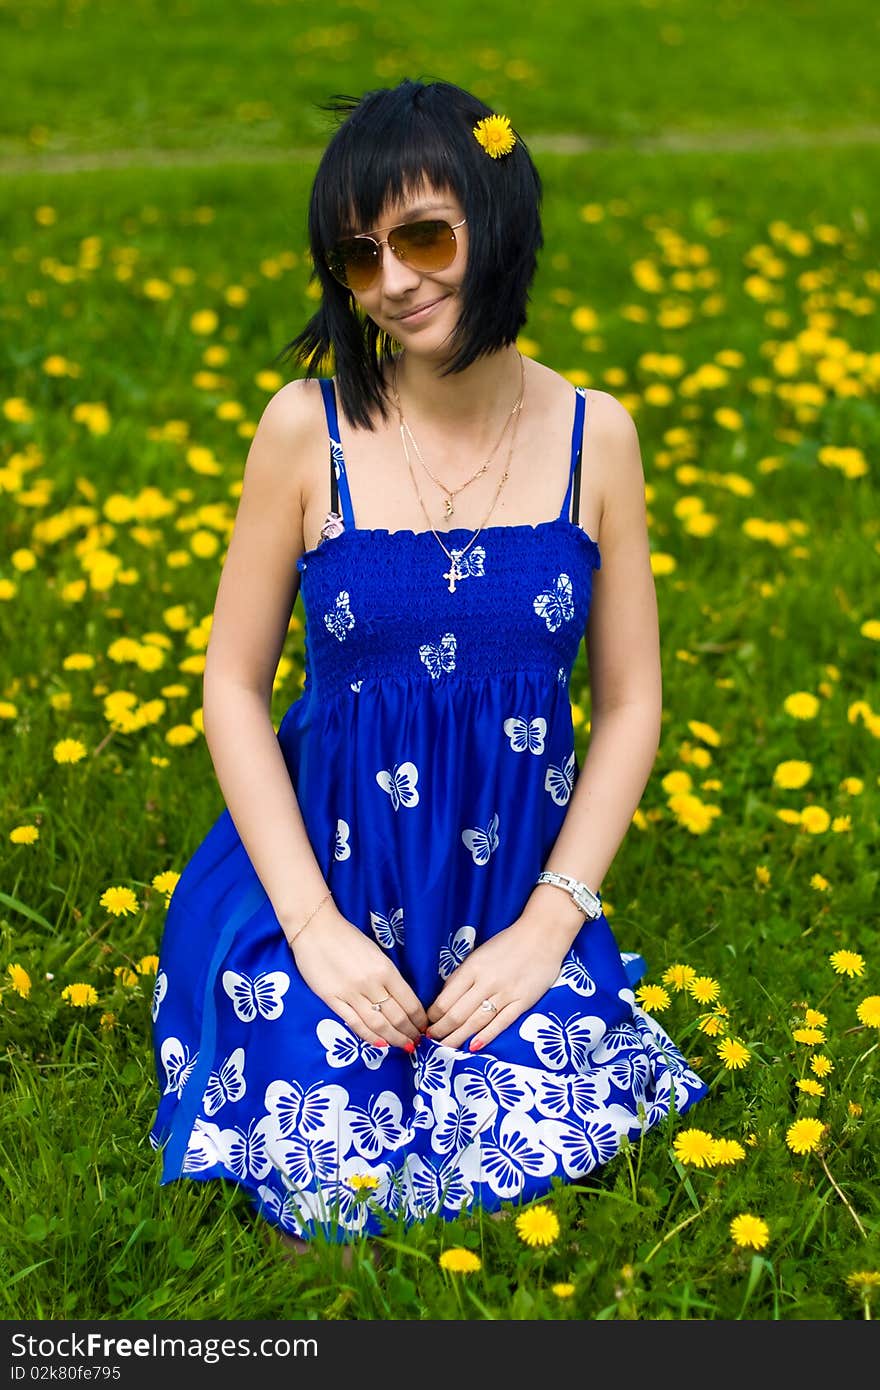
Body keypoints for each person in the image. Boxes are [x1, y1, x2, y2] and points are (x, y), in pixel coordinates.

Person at [149, 77, 707, 1250]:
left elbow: (633, 700)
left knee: (560, 1116)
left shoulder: (592, 434)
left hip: (508, 893)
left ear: (496, 220)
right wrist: (310, 928)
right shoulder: (306, 429)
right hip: (324, 878)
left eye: (422, 236)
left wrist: (550, 924)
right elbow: (231, 685)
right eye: (360, 257)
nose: (393, 281)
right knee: (320, 1160)